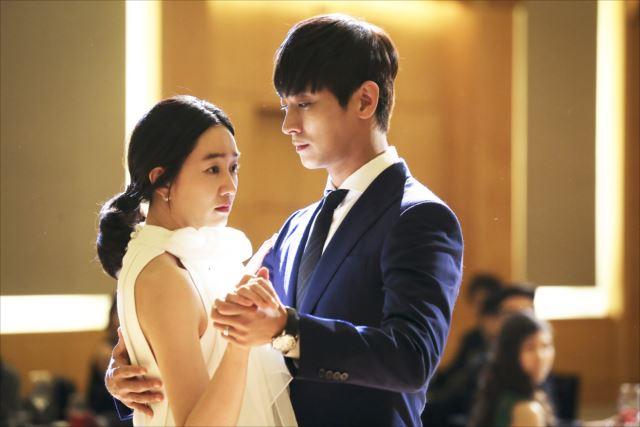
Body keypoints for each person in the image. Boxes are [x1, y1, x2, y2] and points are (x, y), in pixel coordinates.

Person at [106, 14, 464, 426]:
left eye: (304, 104)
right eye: (285, 106)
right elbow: (218, 324)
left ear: (365, 100)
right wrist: (134, 365)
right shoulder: (297, 226)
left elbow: (413, 358)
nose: (288, 125)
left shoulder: (419, 217)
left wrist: (287, 329)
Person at [96, 95, 296, 426]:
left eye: (233, 168)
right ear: (162, 181)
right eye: (212, 169)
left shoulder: (192, 253)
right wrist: (239, 342)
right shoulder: (164, 274)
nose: (229, 186)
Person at [468, 310, 557, 427]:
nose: (540, 357)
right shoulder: (527, 410)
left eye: (545, 346)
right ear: (511, 353)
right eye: (529, 347)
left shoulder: (499, 393)